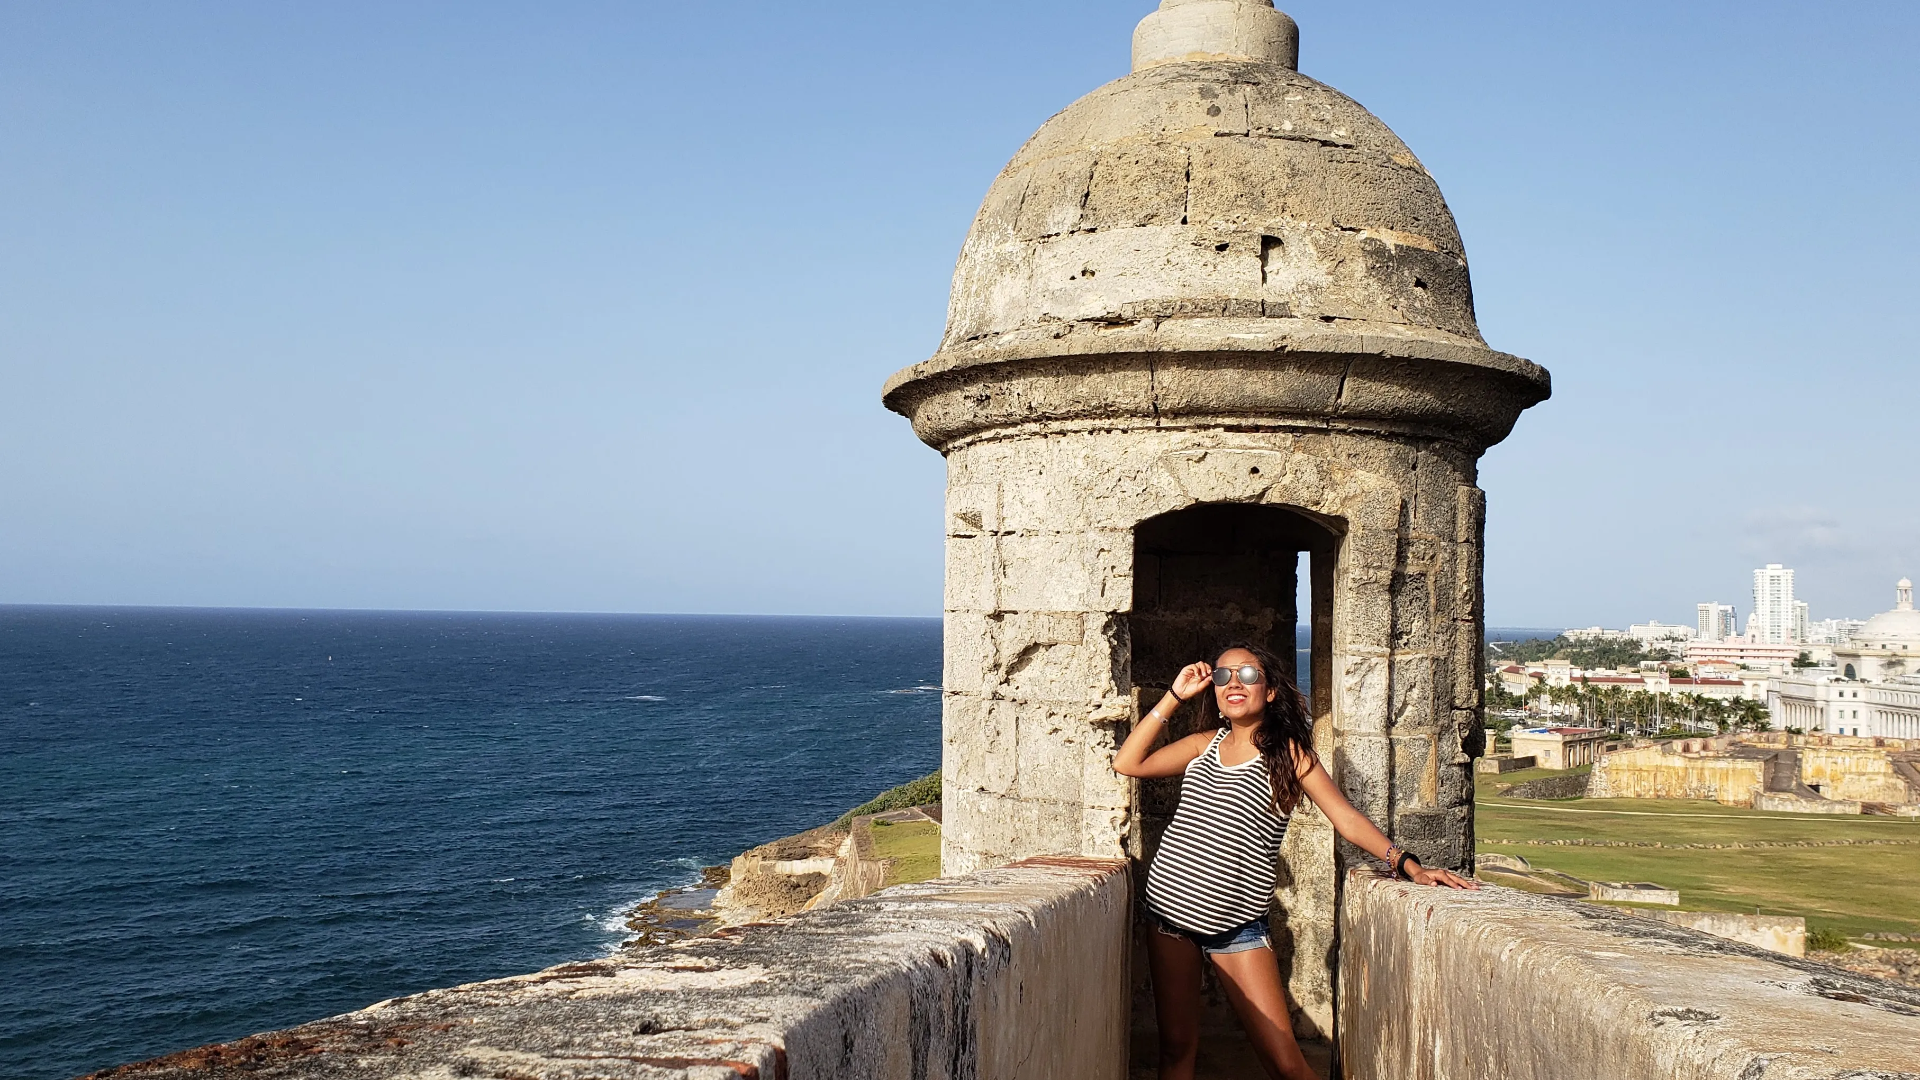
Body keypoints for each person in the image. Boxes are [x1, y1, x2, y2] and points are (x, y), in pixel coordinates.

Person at [1112, 642, 1476, 1080]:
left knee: (1286, 1064)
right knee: (1176, 1051)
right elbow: (1127, 762)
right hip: (1169, 916)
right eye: (1224, 676)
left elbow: (1346, 818)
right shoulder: (1202, 745)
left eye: (1247, 675)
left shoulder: (1289, 755)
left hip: (1238, 928)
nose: (1234, 684)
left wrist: (1408, 864)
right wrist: (1174, 695)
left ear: (1269, 691)